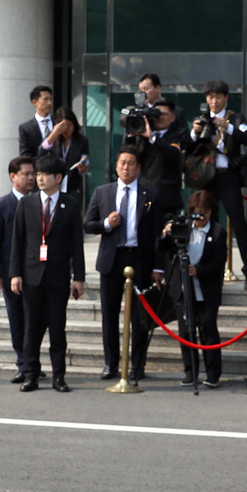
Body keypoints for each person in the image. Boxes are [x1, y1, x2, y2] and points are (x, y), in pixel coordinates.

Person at [10, 153, 86, 393]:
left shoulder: (71, 204)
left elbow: (77, 244)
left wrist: (79, 278)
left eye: (44, 175)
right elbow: (18, 242)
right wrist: (15, 274)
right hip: (32, 275)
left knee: (57, 328)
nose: (39, 178)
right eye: (37, 174)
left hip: (58, 276)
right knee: (31, 328)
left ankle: (59, 377)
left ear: (58, 178)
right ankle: (31, 374)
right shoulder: (27, 203)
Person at [84, 148, 162, 381]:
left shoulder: (151, 195)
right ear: (116, 166)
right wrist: (106, 224)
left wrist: (159, 267)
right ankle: (111, 364)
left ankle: (137, 365)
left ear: (138, 168)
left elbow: (158, 234)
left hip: (139, 259)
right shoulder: (102, 192)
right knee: (109, 314)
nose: (126, 167)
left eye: (131, 163)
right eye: (122, 163)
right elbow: (88, 224)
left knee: (139, 316)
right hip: (112, 258)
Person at [189, 81, 247, 290]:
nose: (214, 101)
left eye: (218, 97)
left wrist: (227, 126)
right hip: (206, 178)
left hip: (228, 177)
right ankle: (211, 270)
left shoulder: (235, 118)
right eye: (210, 97)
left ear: (226, 98)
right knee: (208, 224)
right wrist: (195, 131)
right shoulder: (201, 119)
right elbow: (189, 146)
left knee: (239, 224)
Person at [162, 188, 227, 386]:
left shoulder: (217, 232)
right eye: (197, 212)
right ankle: (191, 372)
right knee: (185, 332)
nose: (201, 217)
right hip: (184, 289)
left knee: (208, 331)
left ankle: (213, 374)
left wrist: (197, 270)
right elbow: (164, 249)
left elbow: (219, 262)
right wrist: (166, 234)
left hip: (206, 290)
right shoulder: (185, 227)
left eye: (205, 213)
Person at [0, 156, 36, 383]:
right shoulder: (1, 205)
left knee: (34, 318)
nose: (31, 178)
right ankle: (23, 363)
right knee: (17, 319)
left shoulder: (39, 202)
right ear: (13, 176)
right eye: (26, 174)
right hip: (9, 272)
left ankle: (32, 361)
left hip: (35, 271)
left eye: (32, 173)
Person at [41, 106, 91, 199]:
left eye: (69, 125)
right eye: (63, 126)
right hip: (54, 184)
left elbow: (85, 160)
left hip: (73, 186)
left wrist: (83, 167)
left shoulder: (81, 140)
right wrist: (55, 134)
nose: (66, 129)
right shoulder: (52, 137)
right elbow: (41, 152)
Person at [18, 84, 57, 155]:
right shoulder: (26, 128)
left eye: (50, 99)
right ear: (35, 102)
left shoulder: (58, 124)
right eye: (45, 99)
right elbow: (25, 154)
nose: (49, 103)